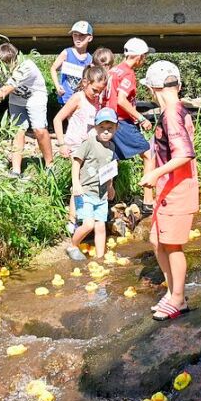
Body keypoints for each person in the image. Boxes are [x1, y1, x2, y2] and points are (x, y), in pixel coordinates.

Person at [140, 61, 199, 322]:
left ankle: (178, 299)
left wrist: (154, 173)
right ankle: (173, 292)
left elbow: (185, 154)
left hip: (178, 188)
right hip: (169, 188)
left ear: (153, 89)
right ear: (179, 85)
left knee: (173, 246)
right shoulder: (174, 111)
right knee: (157, 241)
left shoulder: (173, 113)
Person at [53, 64, 107, 232]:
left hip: (90, 148)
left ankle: (87, 216)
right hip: (76, 146)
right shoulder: (78, 98)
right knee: (79, 182)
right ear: (85, 83)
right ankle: (72, 220)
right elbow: (57, 119)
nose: (97, 94)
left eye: (101, 91)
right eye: (95, 90)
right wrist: (62, 144)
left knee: (89, 181)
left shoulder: (96, 101)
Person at [0, 42, 53, 177]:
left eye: (8, 62)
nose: (5, 65)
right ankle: (16, 170)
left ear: (15, 58)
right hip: (17, 100)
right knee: (17, 131)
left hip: (35, 97)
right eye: (3, 62)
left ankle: (50, 165)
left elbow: (5, 90)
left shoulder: (26, 67)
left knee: (39, 130)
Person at [105, 38, 155, 212]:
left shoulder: (113, 71)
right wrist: (141, 118)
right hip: (121, 121)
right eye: (145, 56)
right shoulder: (128, 73)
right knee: (148, 154)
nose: (145, 59)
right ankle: (148, 202)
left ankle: (108, 202)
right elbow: (121, 100)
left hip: (107, 121)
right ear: (139, 57)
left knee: (111, 160)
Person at [66, 108, 119, 263]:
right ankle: (73, 245)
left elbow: (108, 171)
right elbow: (76, 162)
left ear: (116, 128)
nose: (106, 132)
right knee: (88, 224)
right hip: (86, 191)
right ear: (96, 127)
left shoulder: (111, 148)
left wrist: (110, 187)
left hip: (101, 194)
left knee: (101, 226)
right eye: (102, 128)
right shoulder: (89, 143)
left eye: (110, 129)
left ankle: (100, 257)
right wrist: (76, 183)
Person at [50, 21, 94, 106]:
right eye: (75, 35)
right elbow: (53, 68)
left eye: (82, 35)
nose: (78, 38)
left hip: (81, 100)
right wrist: (58, 87)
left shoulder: (90, 59)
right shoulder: (67, 53)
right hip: (65, 99)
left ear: (90, 38)